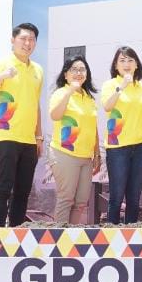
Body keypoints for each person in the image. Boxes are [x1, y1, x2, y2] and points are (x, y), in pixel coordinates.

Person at [0, 22, 44, 227]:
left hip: (28, 139)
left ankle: (16, 236)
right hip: (4, 135)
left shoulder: (37, 70)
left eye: (32, 39)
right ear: (13, 40)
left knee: (22, 192)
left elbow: (36, 105)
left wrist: (39, 136)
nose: (27, 43)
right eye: (23, 38)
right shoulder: (1, 64)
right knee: (2, 190)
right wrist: (2, 77)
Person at [101, 46, 142, 224]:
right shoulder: (110, 85)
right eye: (122, 60)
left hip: (141, 147)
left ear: (137, 65)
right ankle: (111, 237)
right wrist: (121, 86)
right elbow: (107, 106)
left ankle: (131, 237)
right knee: (116, 196)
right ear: (116, 66)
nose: (127, 64)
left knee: (134, 196)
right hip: (118, 148)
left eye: (130, 60)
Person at [47, 56, 100, 225]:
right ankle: (59, 242)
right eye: (74, 69)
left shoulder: (88, 98)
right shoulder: (60, 93)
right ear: (66, 75)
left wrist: (97, 153)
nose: (78, 73)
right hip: (64, 153)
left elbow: (93, 127)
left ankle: (72, 240)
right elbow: (55, 115)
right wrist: (69, 92)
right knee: (66, 199)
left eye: (82, 69)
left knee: (81, 202)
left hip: (86, 157)